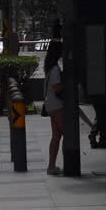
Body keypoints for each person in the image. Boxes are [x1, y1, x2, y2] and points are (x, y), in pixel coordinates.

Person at [42, 40, 65, 175]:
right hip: (56, 104)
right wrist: (68, 83)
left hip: (50, 104)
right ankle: (67, 164)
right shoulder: (55, 69)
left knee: (56, 135)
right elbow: (57, 87)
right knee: (67, 134)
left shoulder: (49, 67)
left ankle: (51, 166)